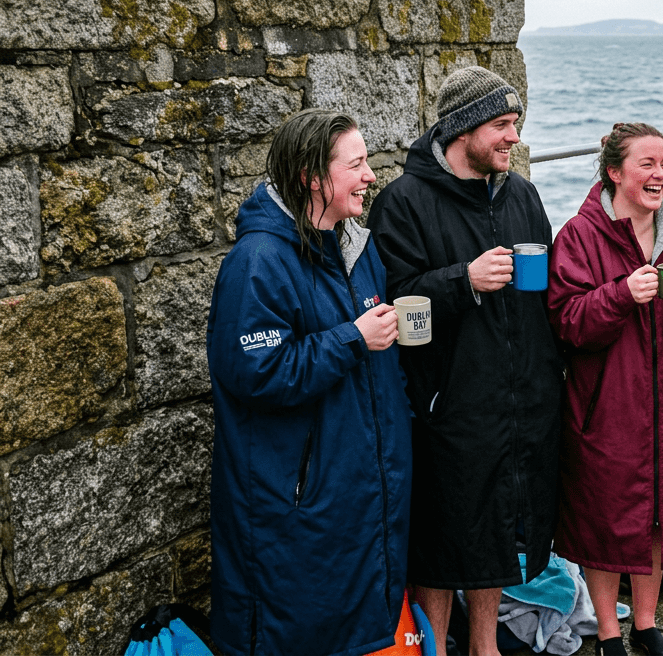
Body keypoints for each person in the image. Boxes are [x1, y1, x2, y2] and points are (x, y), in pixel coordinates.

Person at [368, 67, 564, 656]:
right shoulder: (403, 201)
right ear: (463, 128)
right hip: (446, 403)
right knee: (441, 540)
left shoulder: (521, 193)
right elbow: (393, 306)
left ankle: (485, 648)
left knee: (499, 531)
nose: (513, 138)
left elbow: (546, 294)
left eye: (517, 125)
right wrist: (465, 281)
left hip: (520, 398)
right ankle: (432, 649)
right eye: (502, 125)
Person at [206, 109, 412, 654]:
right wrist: (352, 338)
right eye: (357, 164)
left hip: (359, 495)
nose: (371, 176)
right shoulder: (258, 262)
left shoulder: (357, 250)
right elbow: (258, 372)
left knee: (355, 633)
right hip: (295, 506)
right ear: (312, 178)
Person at [546, 123, 663, 656]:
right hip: (606, 409)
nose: (660, 174)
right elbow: (566, 322)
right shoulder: (580, 236)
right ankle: (607, 633)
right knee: (605, 523)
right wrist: (621, 294)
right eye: (646, 164)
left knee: (657, 518)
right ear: (614, 172)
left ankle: (645, 625)